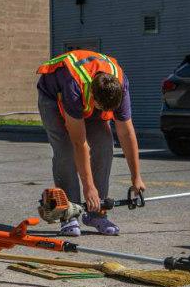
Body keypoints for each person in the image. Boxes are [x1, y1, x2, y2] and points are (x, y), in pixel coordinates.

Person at [37, 48, 146, 237]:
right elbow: (79, 143)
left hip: (88, 96)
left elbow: (127, 133)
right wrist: (89, 187)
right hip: (53, 97)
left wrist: (136, 177)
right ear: (93, 98)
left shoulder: (119, 84)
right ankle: (68, 214)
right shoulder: (74, 86)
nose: (107, 114)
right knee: (66, 150)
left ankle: (96, 213)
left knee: (105, 144)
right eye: (103, 109)